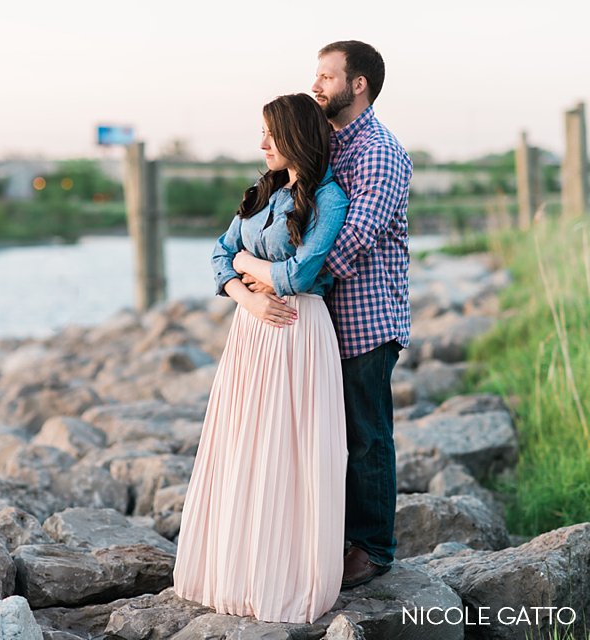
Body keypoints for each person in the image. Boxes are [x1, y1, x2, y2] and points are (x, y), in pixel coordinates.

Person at [173, 93, 349, 624]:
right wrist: (246, 295)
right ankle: (235, 569)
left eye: (271, 133)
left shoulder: (329, 198)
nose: (262, 143)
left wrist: (247, 261)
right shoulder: (261, 192)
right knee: (242, 443)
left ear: (295, 136)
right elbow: (215, 253)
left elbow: (298, 274)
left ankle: (282, 576)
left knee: (286, 449)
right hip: (252, 327)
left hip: (297, 331)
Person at [245, 41, 413, 589]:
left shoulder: (379, 152)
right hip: (312, 321)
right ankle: (324, 538)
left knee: (366, 435)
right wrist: (261, 277)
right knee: (321, 435)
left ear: (357, 84)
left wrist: (288, 277)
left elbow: (354, 236)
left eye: (326, 76)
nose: (316, 85)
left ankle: (372, 548)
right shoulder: (328, 144)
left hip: (363, 317)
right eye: (315, 75)